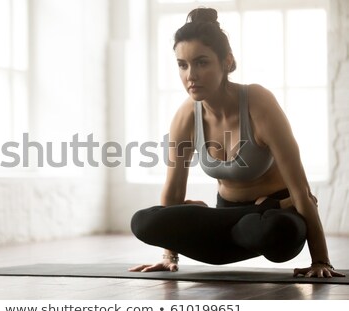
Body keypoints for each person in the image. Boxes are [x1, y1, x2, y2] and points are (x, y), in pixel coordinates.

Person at [129, 7, 345, 278]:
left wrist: (321, 261)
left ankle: (267, 210)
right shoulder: (187, 115)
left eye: (202, 62)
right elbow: (172, 193)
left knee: (277, 233)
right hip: (227, 226)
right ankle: (253, 210)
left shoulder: (258, 103)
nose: (190, 75)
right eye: (182, 65)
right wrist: (168, 255)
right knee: (143, 221)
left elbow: (301, 194)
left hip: (268, 226)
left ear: (227, 62)